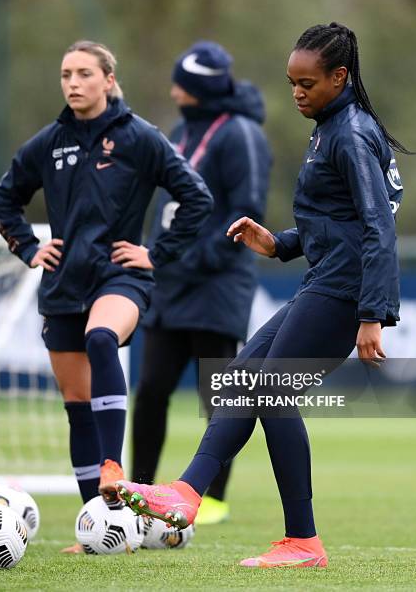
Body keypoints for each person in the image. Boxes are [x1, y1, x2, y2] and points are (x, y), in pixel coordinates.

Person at [116, 22, 409, 567]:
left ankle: (303, 540)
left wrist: (374, 314)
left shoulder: (348, 132)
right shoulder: (333, 125)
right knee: (242, 381)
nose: (297, 92)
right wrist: (278, 244)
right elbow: (339, 221)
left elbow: (377, 227)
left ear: (340, 77)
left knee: (270, 390)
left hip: (345, 291)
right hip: (327, 279)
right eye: (292, 82)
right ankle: (186, 493)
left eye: (307, 82)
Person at [0, 40, 213, 552]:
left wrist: (157, 252)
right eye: (66, 73)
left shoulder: (140, 138)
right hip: (62, 283)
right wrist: (27, 247)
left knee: (102, 337)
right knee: (76, 406)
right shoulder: (48, 142)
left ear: (108, 80)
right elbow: (4, 199)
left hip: (120, 277)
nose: (73, 82)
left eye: (84, 73)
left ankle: (115, 466)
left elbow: (196, 196)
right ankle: (98, 524)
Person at [129, 41, 273, 525]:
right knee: (150, 389)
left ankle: (212, 498)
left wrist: (196, 258)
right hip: (171, 285)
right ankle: (140, 488)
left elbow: (247, 209)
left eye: (182, 82)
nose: (173, 90)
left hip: (217, 286)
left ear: (200, 88)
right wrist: (157, 255)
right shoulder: (180, 130)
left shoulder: (242, 134)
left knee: (220, 396)